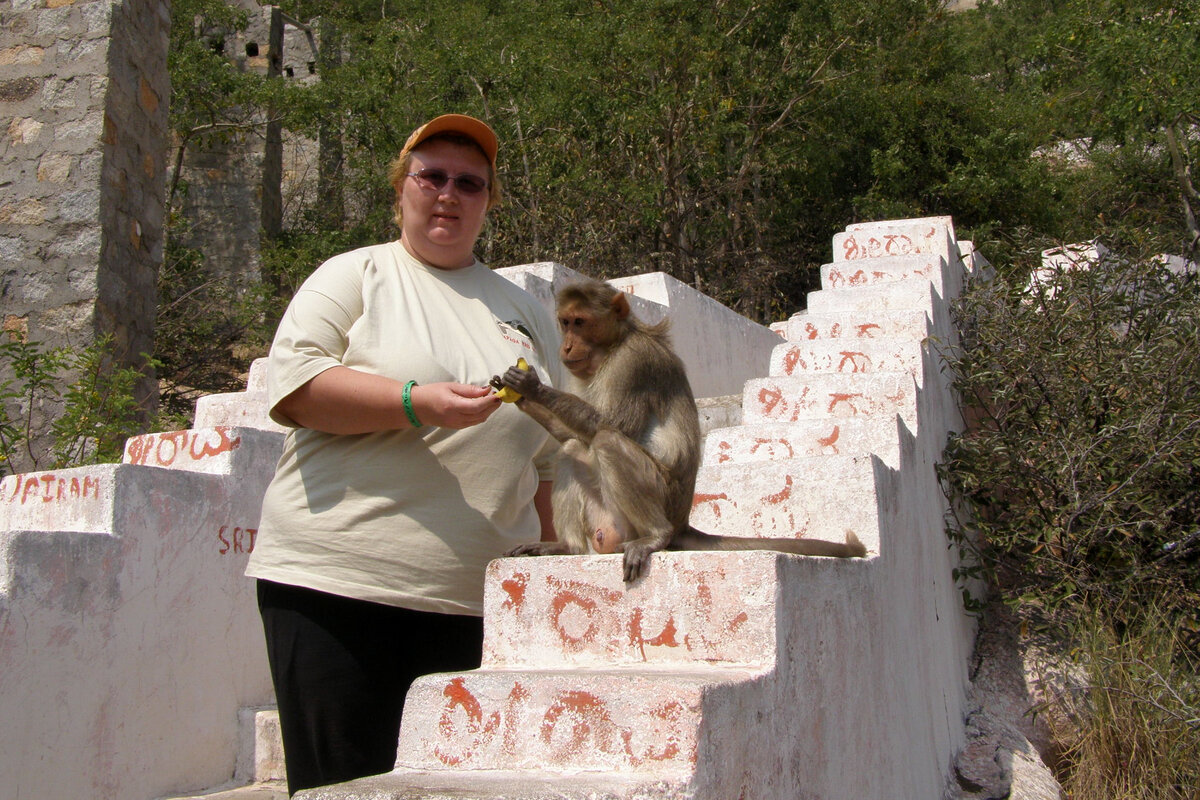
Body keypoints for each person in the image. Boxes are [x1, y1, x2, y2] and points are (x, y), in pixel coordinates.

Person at [244, 113, 562, 795]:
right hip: (339, 585)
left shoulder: (523, 311)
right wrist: (417, 402)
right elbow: (298, 389)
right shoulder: (354, 275)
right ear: (402, 188)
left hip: (480, 607)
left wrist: (552, 566)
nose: (449, 193)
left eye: (469, 183)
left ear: (488, 201)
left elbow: (543, 459)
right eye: (433, 176)